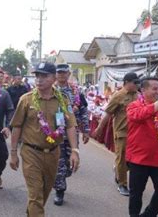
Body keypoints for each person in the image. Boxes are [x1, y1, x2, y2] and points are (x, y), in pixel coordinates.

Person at [9, 62, 79, 217]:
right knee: (35, 195)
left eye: (44, 76)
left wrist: (74, 150)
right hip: (31, 153)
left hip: (54, 153)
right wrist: (13, 153)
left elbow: (70, 125)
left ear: (54, 78)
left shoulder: (63, 100)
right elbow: (17, 126)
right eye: (37, 76)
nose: (39, 80)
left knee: (45, 191)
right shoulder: (26, 100)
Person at [126, 78, 158, 217]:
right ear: (143, 90)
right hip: (139, 158)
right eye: (154, 89)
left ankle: (149, 214)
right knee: (136, 193)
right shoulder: (134, 106)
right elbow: (141, 115)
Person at [92, 72, 140, 196]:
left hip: (136, 133)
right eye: (134, 83)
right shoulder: (118, 96)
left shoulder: (138, 95)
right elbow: (108, 114)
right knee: (122, 158)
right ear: (126, 83)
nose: (137, 85)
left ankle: (119, 170)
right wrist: (99, 129)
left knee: (133, 159)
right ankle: (122, 184)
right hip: (122, 132)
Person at [53, 64, 89, 205]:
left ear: (69, 74)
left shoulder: (76, 91)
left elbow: (83, 111)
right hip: (55, 133)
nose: (61, 75)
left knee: (69, 163)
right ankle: (59, 190)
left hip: (72, 132)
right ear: (56, 74)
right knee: (59, 162)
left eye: (64, 73)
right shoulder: (50, 90)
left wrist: (86, 130)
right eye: (59, 73)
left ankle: (62, 178)